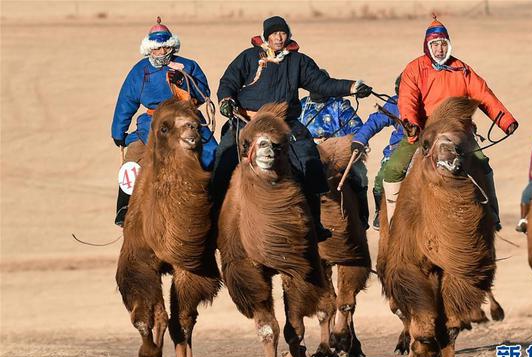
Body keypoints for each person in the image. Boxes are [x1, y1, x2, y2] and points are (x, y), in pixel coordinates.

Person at [214, 16, 372, 241]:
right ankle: (213, 221)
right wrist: (226, 100)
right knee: (224, 158)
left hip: (284, 121)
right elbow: (228, 81)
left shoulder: (298, 61)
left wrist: (352, 87)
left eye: (283, 33)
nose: (279, 37)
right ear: (266, 35)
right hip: (248, 120)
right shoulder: (248, 57)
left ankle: (315, 223)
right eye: (275, 33)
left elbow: (321, 84)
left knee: (309, 161)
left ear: (288, 35)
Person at [383, 16, 519, 230]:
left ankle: (492, 214)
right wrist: (411, 125)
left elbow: (483, 95)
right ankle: (393, 223)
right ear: (427, 46)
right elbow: (407, 99)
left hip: (458, 131)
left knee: (482, 164)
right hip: (424, 130)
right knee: (393, 169)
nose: (439, 49)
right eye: (435, 44)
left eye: (443, 44)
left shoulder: (461, 69)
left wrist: (505, 120)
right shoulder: (414, 69)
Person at [111, 17, 217, 227]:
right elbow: (126, 101)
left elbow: (204, 93)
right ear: (149, 50)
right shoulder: (139, 71)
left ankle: (217, 200)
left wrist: (182, 79)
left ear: (172, 47)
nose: (161, 53)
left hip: (186, 117)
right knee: (132, 160)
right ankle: (124, 208)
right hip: (152, 123)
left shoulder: (187, 65)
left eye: (165, 48)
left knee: (213, 153)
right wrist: (118, 132)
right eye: (157, 49)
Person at [298, 73, 368, 228]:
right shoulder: (300, 107)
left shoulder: (339, 105)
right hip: (309, 155)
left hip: (338, 154)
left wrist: (337, 142)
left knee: (360, 176)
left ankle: (362, 216)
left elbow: (357, 127)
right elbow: (292, 131)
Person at [352, 75, 404, 229]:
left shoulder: (430, 101)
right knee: (381, 179)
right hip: (398, 149)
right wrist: (360, 139)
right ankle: (381, 211)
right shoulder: (396, 103)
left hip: (427, 147)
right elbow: (375, 121)